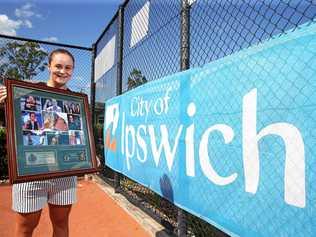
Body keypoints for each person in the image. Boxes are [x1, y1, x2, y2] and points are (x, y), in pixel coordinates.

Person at [0, 48, 77, 237]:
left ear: (72, 70)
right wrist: (5, 102)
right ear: (49, 66)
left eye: (68, 67)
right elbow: (15, 123)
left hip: (64, 173)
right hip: (31, 172)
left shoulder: (76, 101)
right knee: (25, 228)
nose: (63, 71)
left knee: (61, 224)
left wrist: (91, 156)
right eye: (58, 66)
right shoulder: (25, 93)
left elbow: (80, 135)